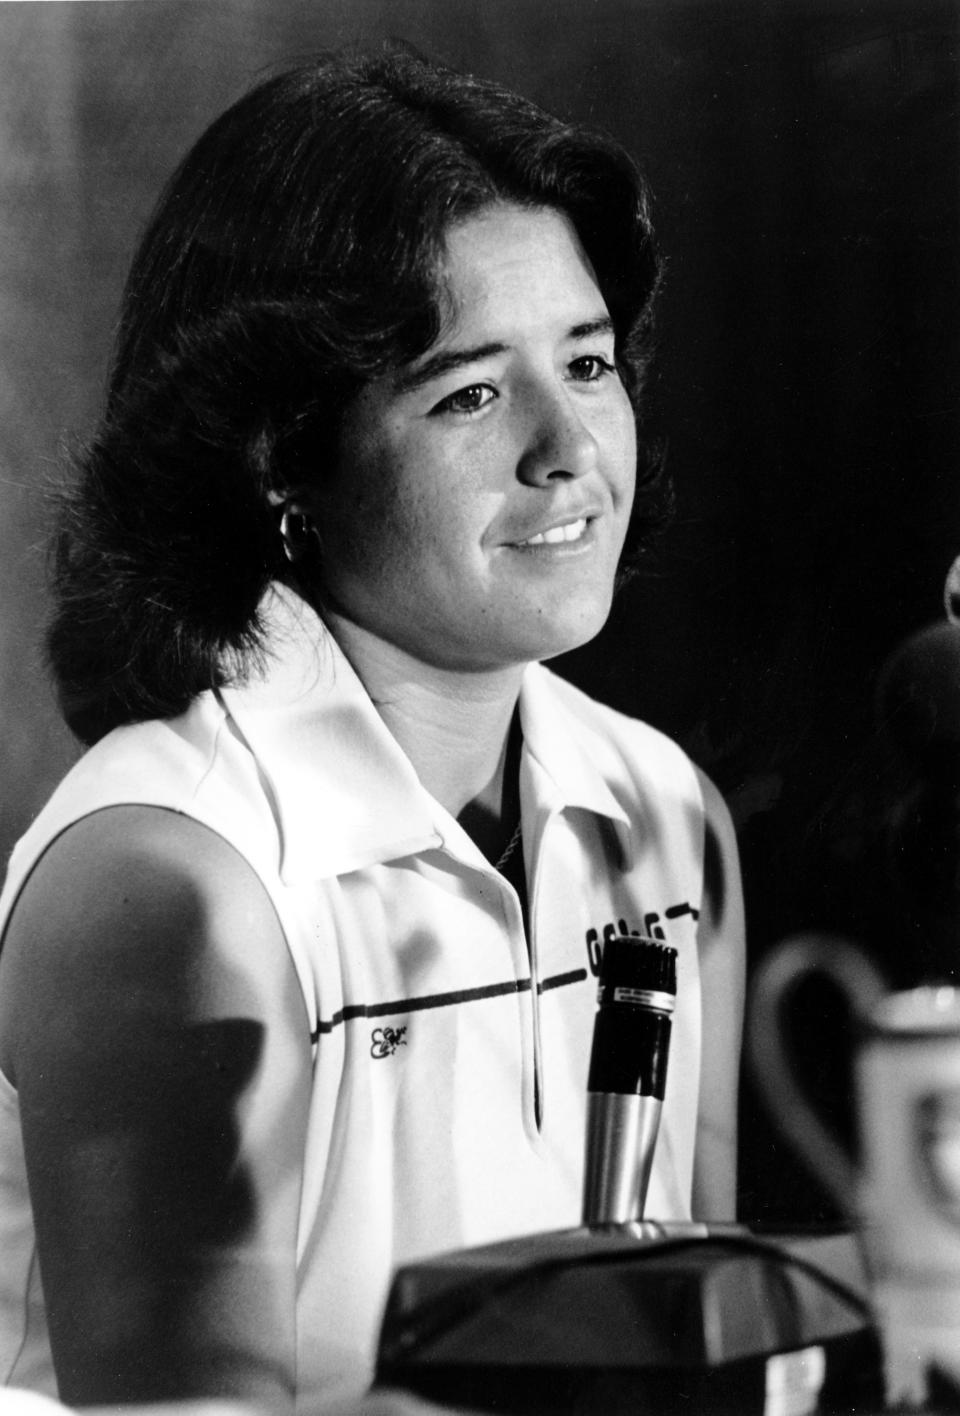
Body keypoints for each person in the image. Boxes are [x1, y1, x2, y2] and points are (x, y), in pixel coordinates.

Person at [0, 48, 745, 1415]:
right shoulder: (171, 887)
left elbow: (690, 1336)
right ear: (285, 460)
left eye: (586, 362)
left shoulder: (662, 812)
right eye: (468, 392)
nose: (568, 446)